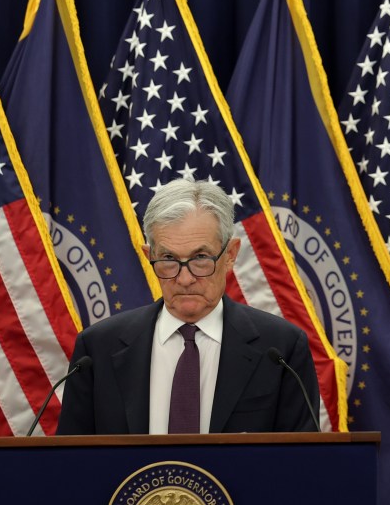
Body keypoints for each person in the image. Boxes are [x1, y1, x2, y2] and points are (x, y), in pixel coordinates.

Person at [56, 178, 321, 434]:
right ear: (149, 256)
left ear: (230, 255)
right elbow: (71, 465)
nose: (185, 278)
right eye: (169, 258)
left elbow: (299, 466)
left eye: (201, 258)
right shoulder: (98, 350)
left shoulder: (281, 350)